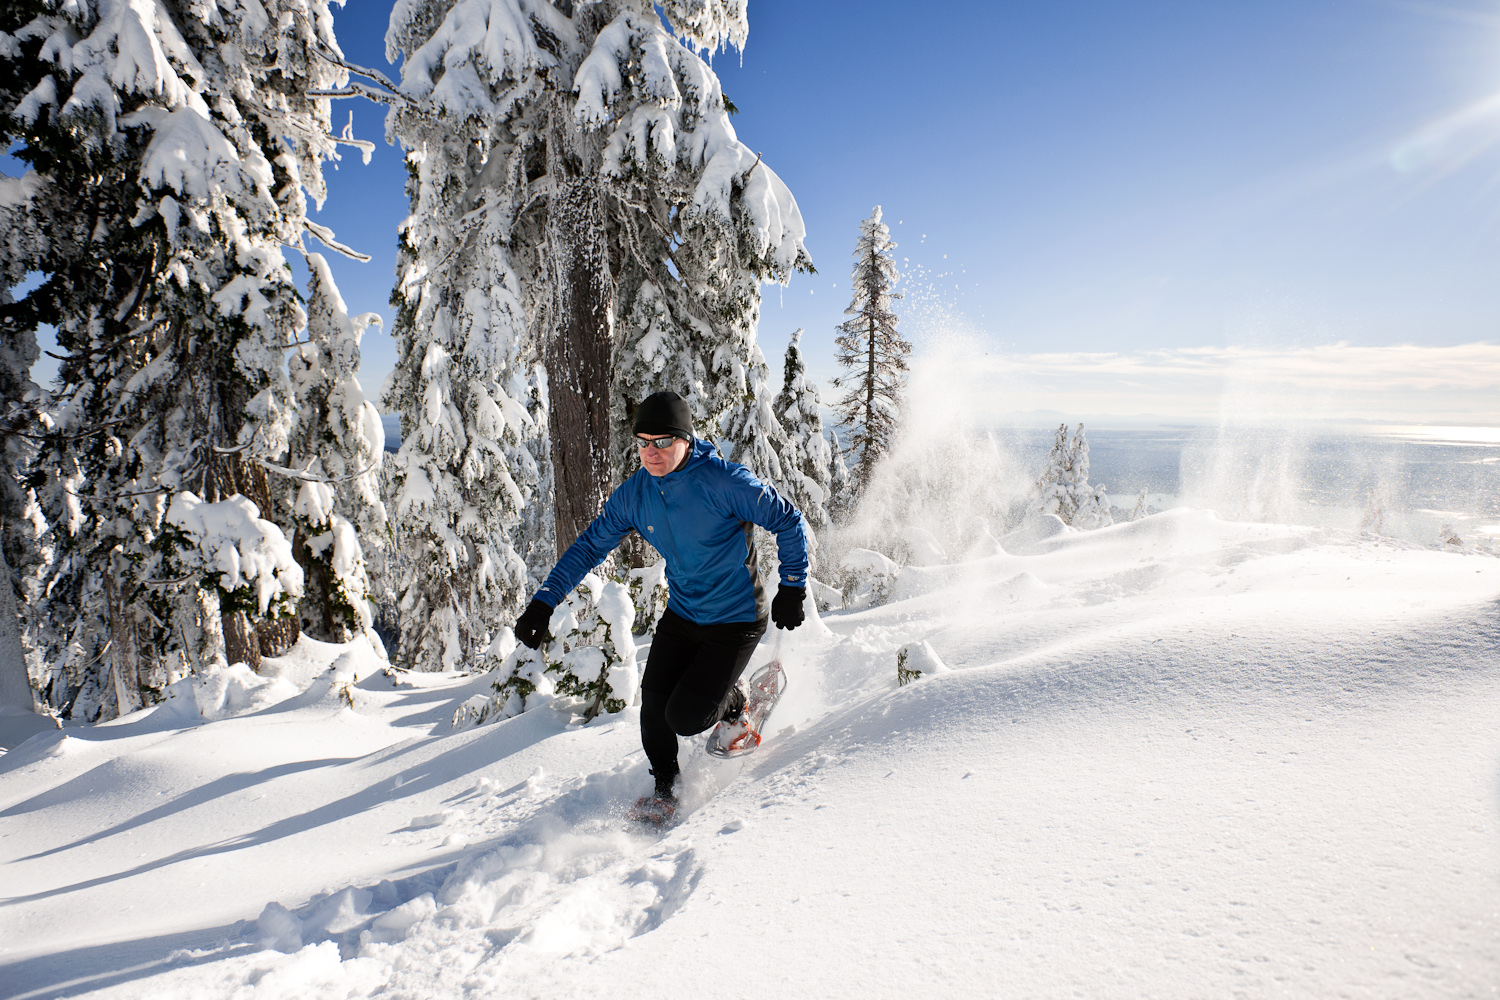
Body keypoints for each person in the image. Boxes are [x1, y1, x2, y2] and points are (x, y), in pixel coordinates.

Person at [512, 390, 808, 810]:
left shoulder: (724, 481)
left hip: (735, 617)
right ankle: (667, 790)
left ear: (686, 439)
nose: (652, 452)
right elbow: (588, 547)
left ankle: (736, 703)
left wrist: (793, 585)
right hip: (684, 612)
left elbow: (788, 519)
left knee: (685, 718)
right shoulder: (636, 494)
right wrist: (544, 601)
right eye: (644, 442)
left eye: (664, 441)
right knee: (654, 707)